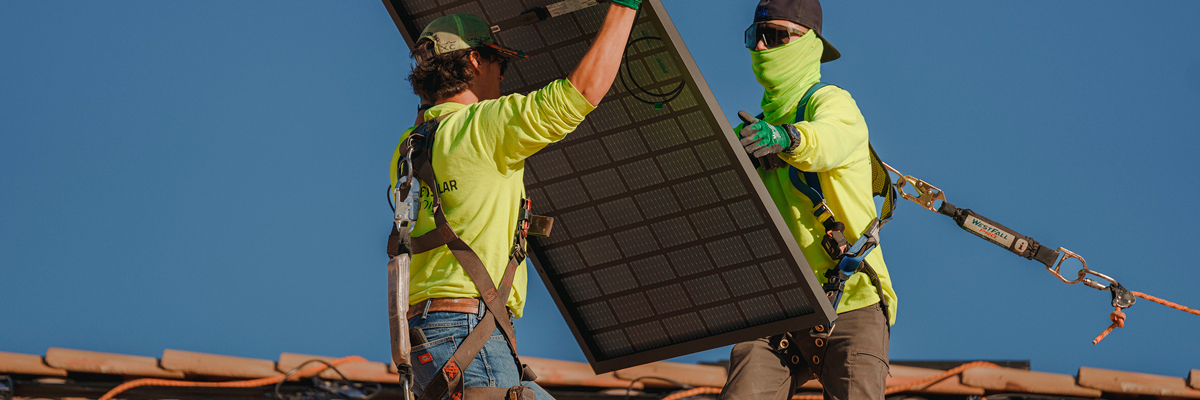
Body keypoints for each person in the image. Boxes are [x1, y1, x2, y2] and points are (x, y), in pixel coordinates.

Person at [388, 2, 640, 400]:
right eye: (499, 65)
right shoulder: (482, 125)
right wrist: (625, 7)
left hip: (428, 334)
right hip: (468, 329)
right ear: (474, 60)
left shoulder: (411, 145)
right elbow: (580, 94)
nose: (504, 77)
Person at [718, 1, 898, 399]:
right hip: (780, 308)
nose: (762, 48)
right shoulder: (747, 135)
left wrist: (787, 139)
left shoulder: (832, 103)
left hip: (852, 300)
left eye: (776, 36)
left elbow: (826, 140)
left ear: (809, 43)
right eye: (755, 37)